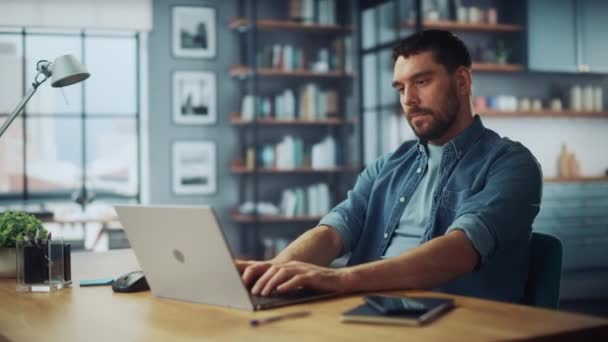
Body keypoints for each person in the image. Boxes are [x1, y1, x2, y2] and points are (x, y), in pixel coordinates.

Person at [236, 30, 542, 303]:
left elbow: (459, 250)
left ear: (461, 81)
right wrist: (272, 273)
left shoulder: (511, 164)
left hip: (454, 323)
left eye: (422, 82)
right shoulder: (387, 166)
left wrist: (338, 279)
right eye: (400, 88)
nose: (409, 99)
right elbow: (332, 232)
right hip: (364, 313)